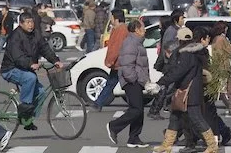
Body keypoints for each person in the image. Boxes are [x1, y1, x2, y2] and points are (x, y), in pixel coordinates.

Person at [153, 27, 218, 153]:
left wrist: (162, 81)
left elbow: (179, 72)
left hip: (189, 92)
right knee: (175, 117)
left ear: (180, 39)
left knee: (196, 118)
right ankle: (167, 144)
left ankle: (212, 145)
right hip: (189, 90)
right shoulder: (195, 51)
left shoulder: (186, 54)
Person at [1, 12, 63, 130]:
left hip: (26, 68)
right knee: (30, 78)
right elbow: (17, 56)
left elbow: (45, 48)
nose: (31, 25)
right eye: (28, 22)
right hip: (11, 69)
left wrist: (55, 60)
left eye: (32, 22)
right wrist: (31, 64)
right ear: (21, 24)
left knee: (41, 92)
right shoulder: (15, 36)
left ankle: (27, 119)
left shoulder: (36, 34)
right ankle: (24, 109)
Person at [106, 20, 150, 148]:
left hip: (138, 80)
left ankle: (134, 138)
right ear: (136, 29)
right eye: (143, 27)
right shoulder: (130, 42)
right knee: (136, 109)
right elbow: (126, 64)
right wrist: (133, 79)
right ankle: (114, 126)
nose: (145, 30)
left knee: (139, 109)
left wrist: (145, 80)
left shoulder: (137, 42)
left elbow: (140, 64)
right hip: (131, 81)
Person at [93, 9, 129, 112]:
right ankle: (98, 102)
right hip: (118, 63)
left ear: (116, 18)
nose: (110, 19)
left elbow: (116, 47)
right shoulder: (117, 28)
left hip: (120, 62)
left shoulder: (121, 30)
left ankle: (98, 102)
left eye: (112, 17)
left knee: (126, 85)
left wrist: (110, 60)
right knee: (112, 83)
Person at [210, 21, 231, 116]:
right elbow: (225, 52)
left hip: (220, 67)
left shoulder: (216, 39)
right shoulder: (221, 39)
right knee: (229, 90)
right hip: (223, 67)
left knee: (223, 90)